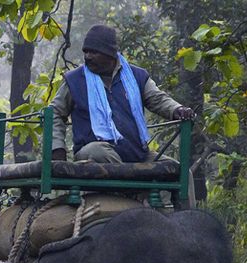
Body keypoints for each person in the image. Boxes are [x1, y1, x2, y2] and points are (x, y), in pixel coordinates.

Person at [50, 24, 195, 163]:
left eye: (94, 52)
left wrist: (177, 110)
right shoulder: (74, 80)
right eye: (86, 52)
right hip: (92, 151)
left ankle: (131, 180)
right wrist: (57, 148)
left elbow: (158, 99)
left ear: (110, 54)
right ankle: (129, 185)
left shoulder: (137, 76)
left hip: (136, 154)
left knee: (179, 171)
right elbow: (55, 112)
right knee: (101, 152)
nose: (87, 56)